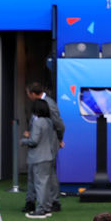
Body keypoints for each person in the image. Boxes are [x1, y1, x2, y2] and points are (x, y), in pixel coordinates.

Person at [25, 82, 65, 213]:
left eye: (28, 94)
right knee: (38, 175)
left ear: (32, 94)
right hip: (42, 144)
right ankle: (34, 201)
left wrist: (59, 139)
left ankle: (52, 202)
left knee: (47, 176)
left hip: (48, 144)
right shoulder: (41, 104)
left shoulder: (49, 103)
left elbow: (59, 123)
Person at [21, 99, 58, 219]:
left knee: (39, 184)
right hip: (48, 156)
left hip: (38, 157)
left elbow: (34, 141)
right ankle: (46, 207)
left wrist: (23, 140)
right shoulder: (49, 121)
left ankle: (41, 209)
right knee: (45, 184)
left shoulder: (38, 122)